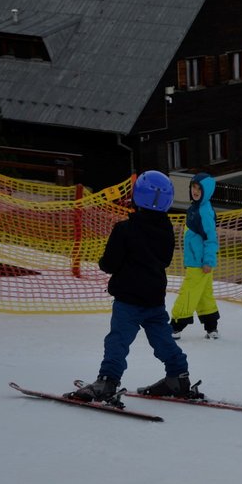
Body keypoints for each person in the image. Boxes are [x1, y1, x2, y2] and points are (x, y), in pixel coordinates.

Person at [68, 170, 196, 403]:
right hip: (154, 298)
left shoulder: (125, 229)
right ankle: (178, 376)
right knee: (162, 338)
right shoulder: (167, 229)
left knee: (118, 339)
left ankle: (107, 380)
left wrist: (106, 263)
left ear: (138, 197)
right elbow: (165, 260)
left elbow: (109, 263)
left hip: (128, 299)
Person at [170, 172, 220, 339]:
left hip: (200, 263)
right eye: (194, 187)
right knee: (205, 295)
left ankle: (175, 326)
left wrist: (208, 261)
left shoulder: (204, 211)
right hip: (197, 260)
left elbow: (211, 239)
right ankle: (212, 327)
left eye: (200, 188)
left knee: (188, 292)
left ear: (207, 191)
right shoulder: (196, 207)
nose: (196, 191)